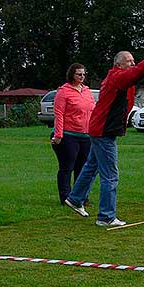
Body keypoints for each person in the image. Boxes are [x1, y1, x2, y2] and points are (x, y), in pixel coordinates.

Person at [64, 30, 144, 226]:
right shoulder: (118, 77)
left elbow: (134, 79)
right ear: (118, 64)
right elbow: (139, 71)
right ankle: (106, 216)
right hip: (104, 131)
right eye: (129, 61)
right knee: (111, 175)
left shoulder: (118, 78)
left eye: (133, 60)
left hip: (100, 129)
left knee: (92, 166)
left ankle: (75, 198)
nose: (133, 63)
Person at [50, 63, 96, 206]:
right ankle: (65, 197)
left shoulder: (87, 91)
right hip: (68, 134)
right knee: (67, 167)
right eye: (79, 74)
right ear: (72, 75)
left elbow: (92, 110)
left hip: (85, 135)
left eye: (84, 74)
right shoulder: (64, 91)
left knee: (83, 168)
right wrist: (58, 135)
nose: (82, 77)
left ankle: (80, 197)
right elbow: (59, 113)